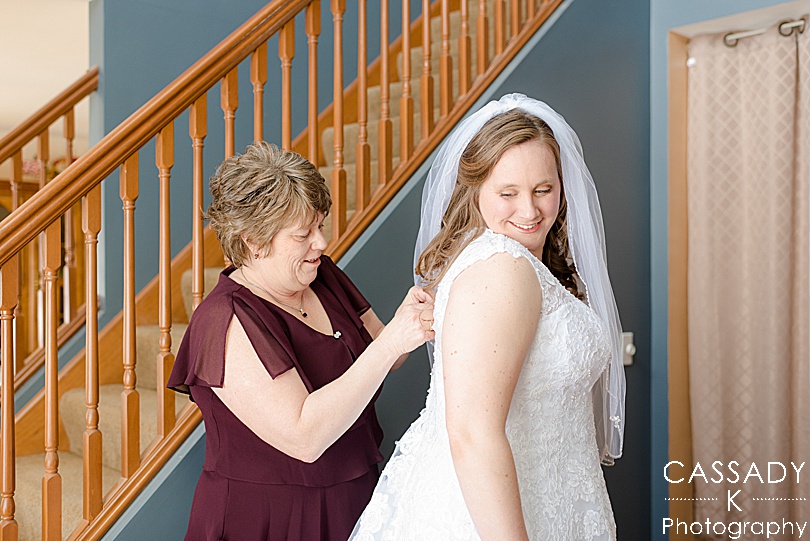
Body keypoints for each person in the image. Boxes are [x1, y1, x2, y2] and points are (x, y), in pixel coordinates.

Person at [350, 94, 626, 540]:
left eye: (543, 189)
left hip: (549, 497)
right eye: (508, 193)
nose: (530, 211)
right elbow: (472, 433)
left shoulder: (520, 263)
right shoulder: (501, 268)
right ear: (475, 191)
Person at [167, 141, 434, 541]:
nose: (321, 243)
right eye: (303, 234)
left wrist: (408, 322)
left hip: (354, 496)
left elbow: (384, 356)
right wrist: (391, 343)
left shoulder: (322, 275)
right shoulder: (225, 321)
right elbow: (305, 437)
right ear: (253, 241)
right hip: (272, 521)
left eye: (320, 226)